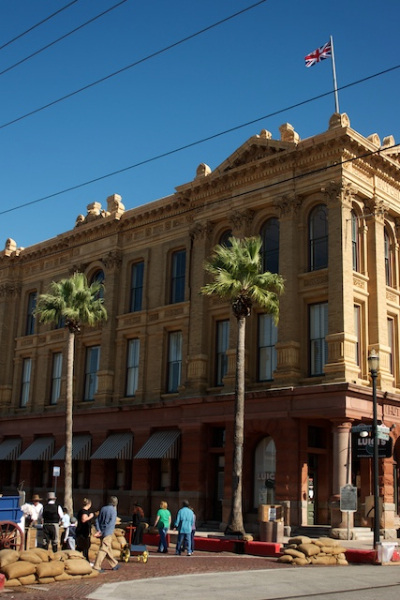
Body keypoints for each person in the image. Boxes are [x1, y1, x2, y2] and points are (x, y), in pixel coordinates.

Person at [92, 496, 120, 573]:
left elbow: (97, 520)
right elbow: (111, 523)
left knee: (107, 548)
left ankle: (114, 564)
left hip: (101, 531)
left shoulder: (103, 508)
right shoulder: (113, 511)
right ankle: (97, 566)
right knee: (103, 549)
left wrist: (99, 530)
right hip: (107, 532)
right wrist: (105, 531)